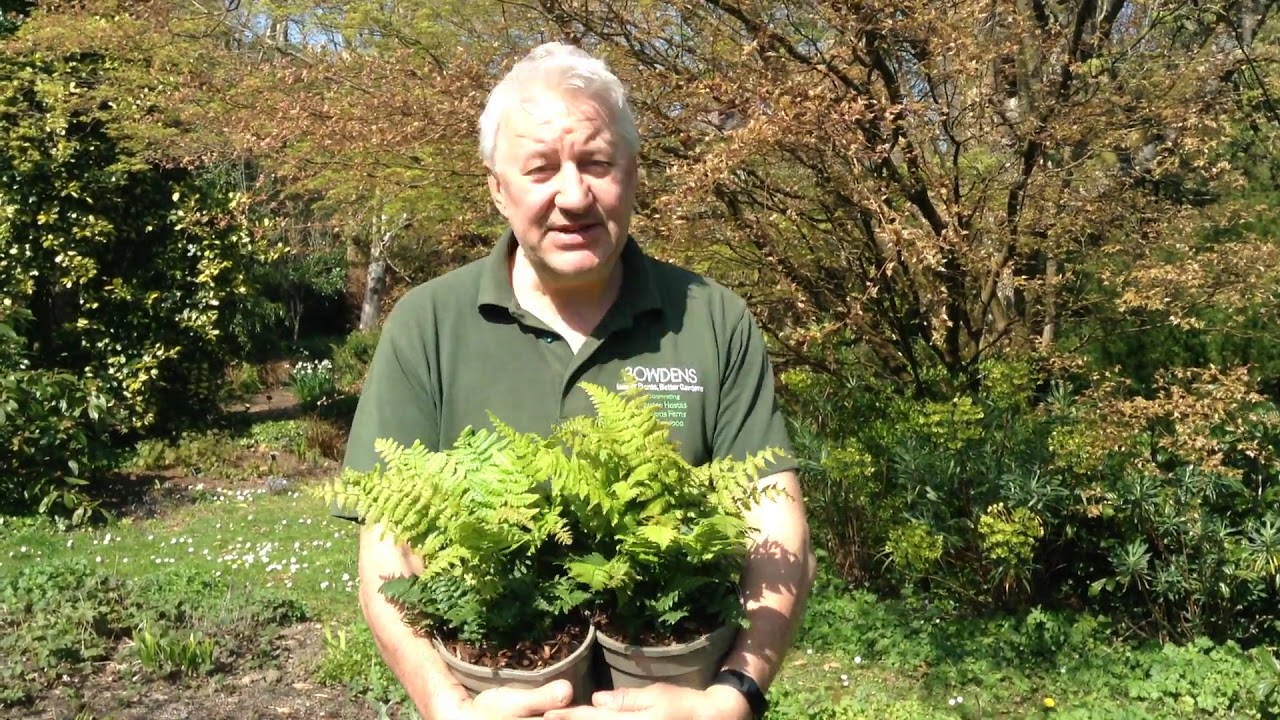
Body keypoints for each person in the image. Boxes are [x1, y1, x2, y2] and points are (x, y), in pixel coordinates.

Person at [338, 41, 816, 720]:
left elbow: (777, 524)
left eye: (598, 163)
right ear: (496, 187)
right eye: (540, 169)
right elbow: (388, 551)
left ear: (634, 174)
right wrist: (447, 707)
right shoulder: (429, 324)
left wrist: (735, 694)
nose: (573, 195)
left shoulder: (711, 318)